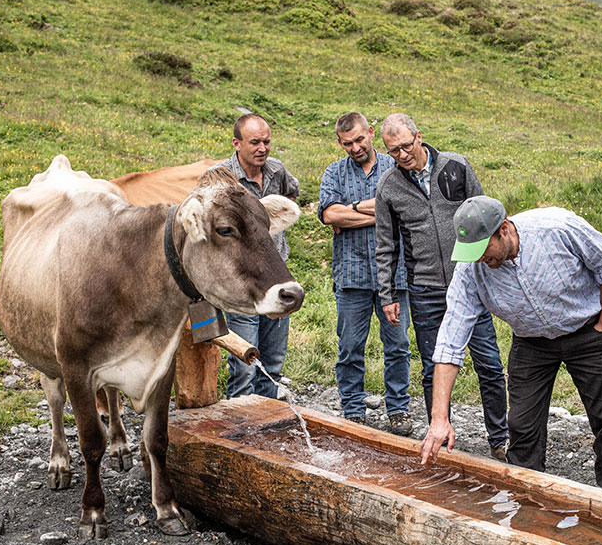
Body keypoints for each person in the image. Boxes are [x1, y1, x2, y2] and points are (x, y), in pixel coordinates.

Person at [419, 196, 602, 495]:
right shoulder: (471, 270)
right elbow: (451, 340)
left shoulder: (557, 227)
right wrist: (439, 418)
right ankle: (525, 500)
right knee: (521, 426)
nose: (480, 259)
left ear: (504, 229)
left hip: (588, 332)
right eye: (472, 253)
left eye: (484, 249)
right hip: (531, 342)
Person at [374, 113, 509, 461]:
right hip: (424, 289)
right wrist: (387, 294)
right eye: (393, 151)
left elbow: (484, 215)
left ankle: (501, 438)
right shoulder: (388, 186)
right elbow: (386, 243)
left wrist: (493, 271)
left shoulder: (456, 167)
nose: (402, 155)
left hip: (470, 283)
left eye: (406, 146)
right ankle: (441, 430)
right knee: (433, 365)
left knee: (489, 363)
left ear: (419, 137)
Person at [318, 112, 412, 435]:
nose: (355, 147)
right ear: (340, 143)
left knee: (397, 345)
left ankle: (398, 408)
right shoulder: (334, 172)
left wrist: (352, 209)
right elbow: (331, 215)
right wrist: (379, 211)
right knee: (349, 347)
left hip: (394, 277)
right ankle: (353, 408)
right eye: (347, 143)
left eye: (360, 139)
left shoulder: (396, 167)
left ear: (371, 133)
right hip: (352, 276)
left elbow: (404, 209)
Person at [212, 113, 300, 399]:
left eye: (267, 142)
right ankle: (239, 425)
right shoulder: (219, 178)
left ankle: (266, 421)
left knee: (273, 362)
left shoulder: (276, 171)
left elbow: (291, 195)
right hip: (242, 281)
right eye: (255, 142)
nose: (262, 148)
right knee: (244, 362)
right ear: (237, 143)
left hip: (276, 277)